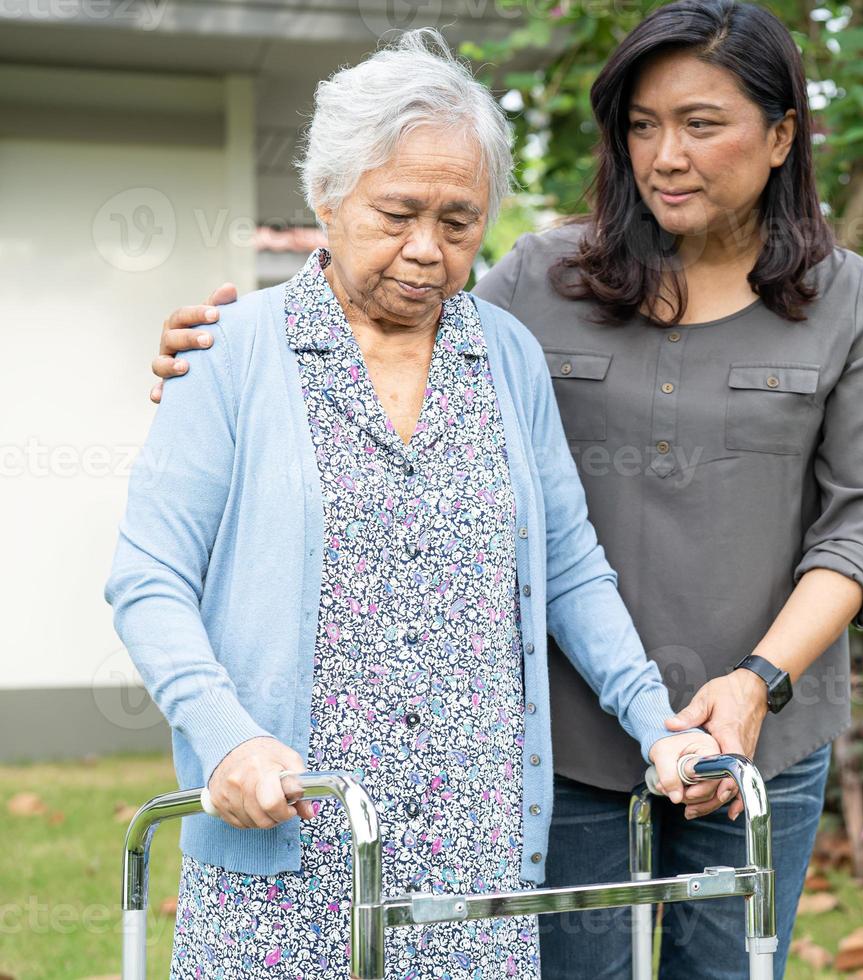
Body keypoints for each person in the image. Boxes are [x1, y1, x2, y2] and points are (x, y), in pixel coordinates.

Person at [148, 2, 863, 977]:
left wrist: (757, 681)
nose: (666, 155)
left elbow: (861, 530)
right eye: (642, 125)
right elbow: (392, 321)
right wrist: (214, 355)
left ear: (780, 135)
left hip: (753, 738)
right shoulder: (543, 279)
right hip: (570, 745)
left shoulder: (850, 304)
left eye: (701, 123)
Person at [107, 28, 725, 978]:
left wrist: (657, 724)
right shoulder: (231, 352)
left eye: (460, 220)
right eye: (397, 212)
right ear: (326, 195)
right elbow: (148, 581)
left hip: (472, 853)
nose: (428, 250)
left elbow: (566, 565)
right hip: (288, 835)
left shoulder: (506, 356)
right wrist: (227, 741)